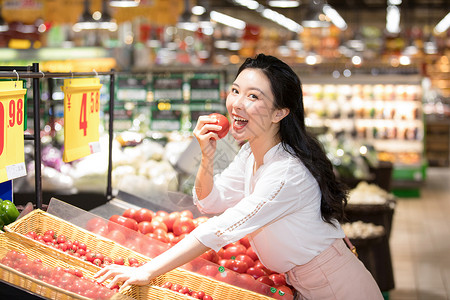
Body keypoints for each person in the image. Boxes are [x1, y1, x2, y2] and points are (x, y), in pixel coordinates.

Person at [95, 54, 383, 300]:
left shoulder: (286, 172)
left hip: (336, 285)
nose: (237, 104)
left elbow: (219, 229)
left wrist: (147, 270)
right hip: (304, 281)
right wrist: (207, 157)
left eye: (253, 96)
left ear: (279, 113)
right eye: (235, 90)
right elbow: (210, 202)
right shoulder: (251, 154)